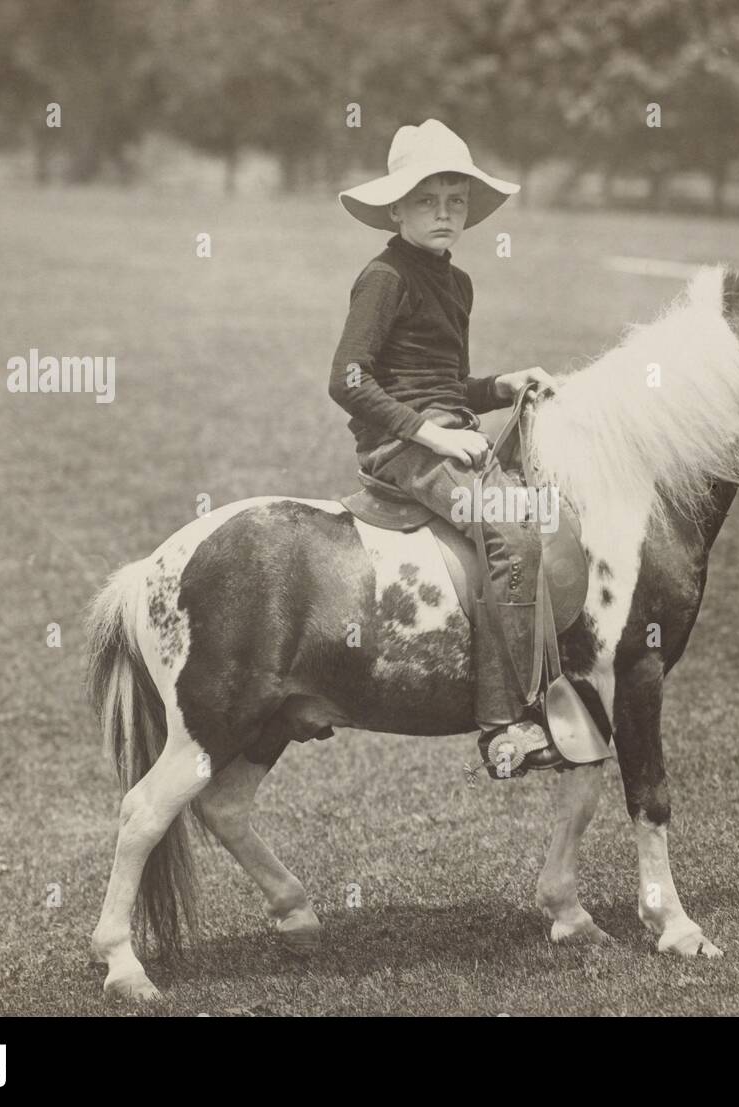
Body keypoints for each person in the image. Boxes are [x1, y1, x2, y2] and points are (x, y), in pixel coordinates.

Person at [330, 118, 563, 774]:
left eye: (456, 200)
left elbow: (445, 382)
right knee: (513, 535)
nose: (444, 213)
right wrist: (429, 433)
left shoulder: (456, 284)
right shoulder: (383, 278)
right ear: (397, 208)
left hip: (450, 437)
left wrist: (502, 385)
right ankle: (504, 723)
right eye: (429, 201)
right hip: (401, 449)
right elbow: (347, 377)